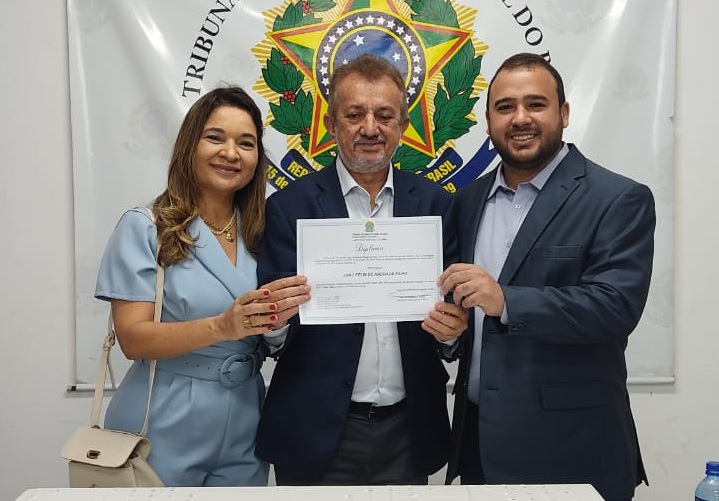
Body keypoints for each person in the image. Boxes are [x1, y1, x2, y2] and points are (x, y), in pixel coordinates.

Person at [437, 53, 654, 501]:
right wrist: (452, 334)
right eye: (505, 107)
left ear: (564, 113)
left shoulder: (617, 199)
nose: (520, 118)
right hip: (478, 444)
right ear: (488, 122)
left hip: (571, 448)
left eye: (535, 104)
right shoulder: (468, 200)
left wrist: (507, 301)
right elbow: (468, 312)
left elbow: (615, 307)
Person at [255, 54, 468, 486]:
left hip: (409, 430)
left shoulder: (436, 206)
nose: (370, 129)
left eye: (384, 116)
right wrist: (273, 322)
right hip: (313, 430)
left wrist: (451, 334)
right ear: (331, 125)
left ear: (402, 126)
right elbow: (275, 339)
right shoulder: (288, 209)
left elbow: (449, 326)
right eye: (354, 115)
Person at [94, 86, 311, 487]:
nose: (231, 153)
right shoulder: (146, 227)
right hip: (162, 418)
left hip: (247, 418)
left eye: (246, 143)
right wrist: (221, 327)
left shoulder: (264, 234)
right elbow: (132, 339)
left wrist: (277, 328)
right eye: (215, 137)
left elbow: (270, 336)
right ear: (189, 145)